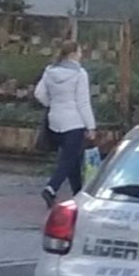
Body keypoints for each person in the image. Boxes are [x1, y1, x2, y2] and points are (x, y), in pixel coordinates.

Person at [35, 40, 96, 207]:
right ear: (73, 54)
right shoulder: (79, 74)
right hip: (74, 121)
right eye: (80, 51)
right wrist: (91, 126)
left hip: (55, 120)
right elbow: (83, 102)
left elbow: (39, 93)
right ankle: (51, 188)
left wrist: (52, 103)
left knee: (73, 158)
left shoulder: (50, 71)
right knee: (68, 159)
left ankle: (78, 193)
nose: (81, 55)